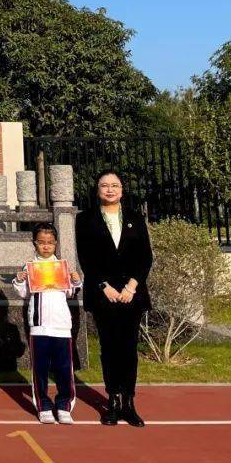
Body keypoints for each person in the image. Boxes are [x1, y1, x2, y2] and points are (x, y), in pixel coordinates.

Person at [74, 169, 153, 427]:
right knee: (109, 348)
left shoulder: (134, 218)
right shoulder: (86, 219)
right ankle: (113, 401)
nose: (110, 189)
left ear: (122, 189)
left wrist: (131, 286)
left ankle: (129, 402)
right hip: (103, 294)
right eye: (104, 185)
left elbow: (145, 256)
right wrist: (103, 285)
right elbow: (86, 257)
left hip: (131, 294)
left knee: (128, 348)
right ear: (97, 189)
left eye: (115, 185)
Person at [13, 222, 83, 424]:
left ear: (56, 244)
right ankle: (43, 405)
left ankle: (64, 405)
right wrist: (19, 280)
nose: (46, 246)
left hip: (61, 326)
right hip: (39, 325)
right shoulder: (29, 267)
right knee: (40, 368)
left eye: (50, 243)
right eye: (41, 242)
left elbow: (71, 292)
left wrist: (76, 281)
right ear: (34, 243)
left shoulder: (63, 266)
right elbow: (23, 293)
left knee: (64, 368)